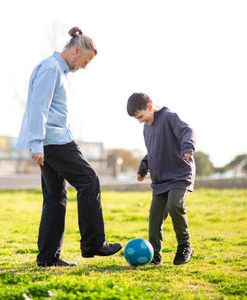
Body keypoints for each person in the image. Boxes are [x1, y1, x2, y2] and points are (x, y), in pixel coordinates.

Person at [16, 26, 122, 267]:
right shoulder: (50, 68)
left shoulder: (58, 70)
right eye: (85, 60)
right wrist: (36, 143)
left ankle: (48, 258)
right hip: (54, 141)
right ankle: (94, 243)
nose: (85, 66)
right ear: (75, 51)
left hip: (50, 140)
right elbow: (38, 107)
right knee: (89, 181)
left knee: (55, 198)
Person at [126, 92, 196, 266]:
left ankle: (185, 246)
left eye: (141, 116)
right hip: (160, 180)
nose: (141, 121)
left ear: (150, 107)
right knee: (155, 217)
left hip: (179, 174)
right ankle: (154, 255)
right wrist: (144, 167)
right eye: (137, 119)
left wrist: (187, 147)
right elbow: (153, 150)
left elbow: (188, 131)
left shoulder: (169, 117)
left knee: (175, 205)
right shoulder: (146, 128)